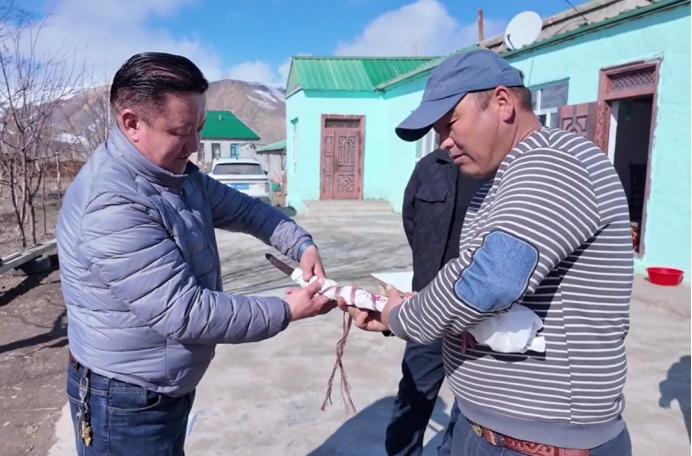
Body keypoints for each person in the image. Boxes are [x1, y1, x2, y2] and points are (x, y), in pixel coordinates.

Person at [340, 49, 633, 456]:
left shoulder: (555, 162)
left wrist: (403, 317)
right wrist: (403, 309)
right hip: (481, 427)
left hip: (543, 443)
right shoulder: (499, 183)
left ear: (502, 102)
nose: (444, 143)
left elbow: (491, 281)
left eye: (450, 124)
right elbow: (474, 285)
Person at [56, 52, 335, 456]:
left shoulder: (176, 176)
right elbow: (185, 311)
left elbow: (245, 210)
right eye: (182, 132)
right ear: (132, 123)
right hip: (125, 401)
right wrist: (287, 310)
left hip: (163, 386)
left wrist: (300, 243)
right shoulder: (111, 203)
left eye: (199, 129)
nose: (194, 146)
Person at [386, 146, 487, 456]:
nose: (447, 139)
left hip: (481, 317)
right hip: (427, 307)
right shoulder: (429, 167)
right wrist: (428, 272)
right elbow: (411, 222)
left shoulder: (502, 171)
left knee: (469, 410)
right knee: (412, 398)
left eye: (451, 125)